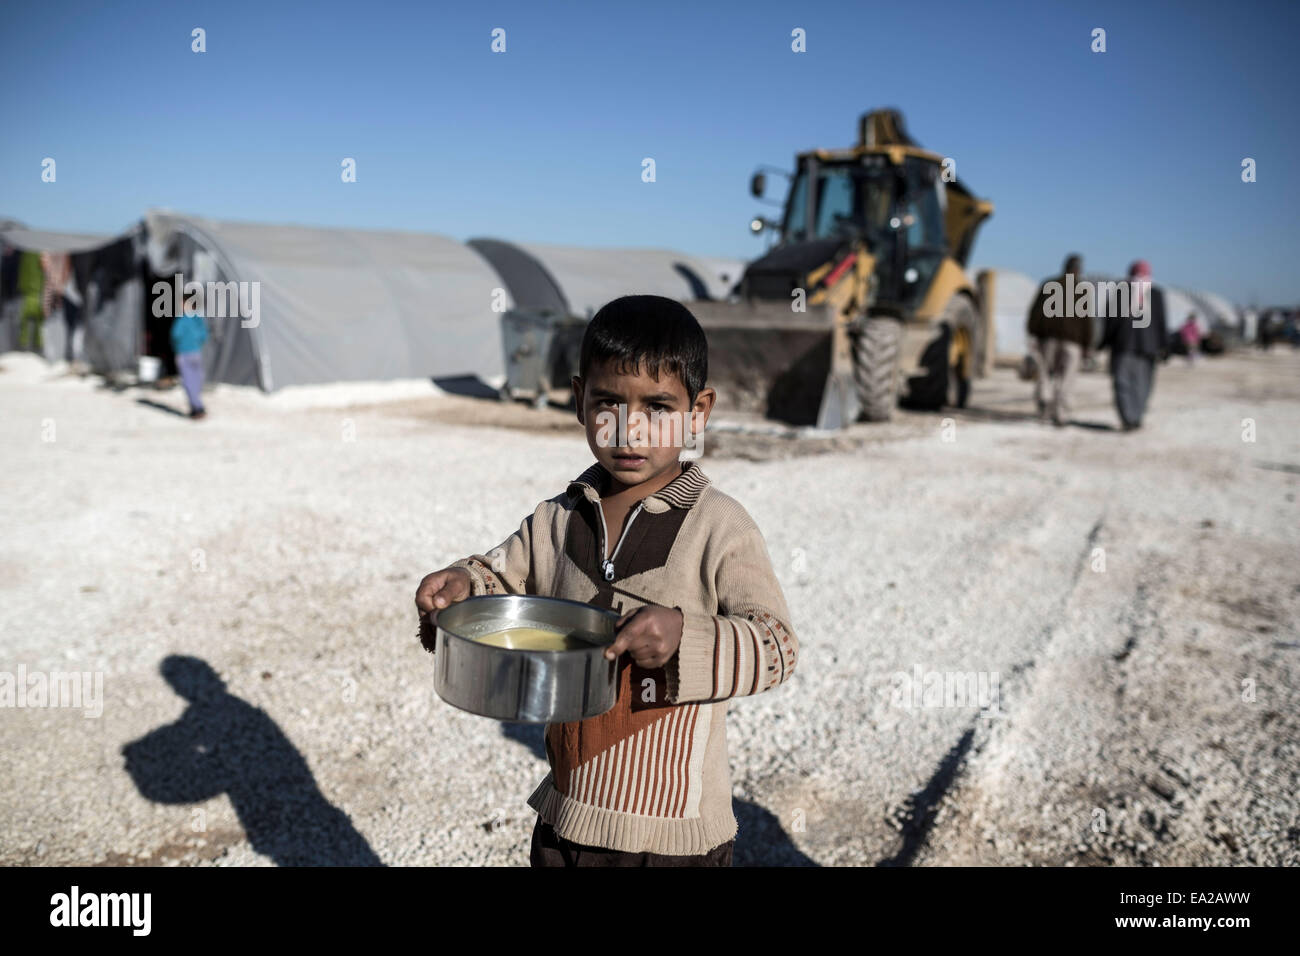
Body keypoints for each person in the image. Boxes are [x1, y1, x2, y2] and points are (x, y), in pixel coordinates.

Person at [414, 295, 799, 867]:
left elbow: (776, 646)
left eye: (659, 407)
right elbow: (498, 583)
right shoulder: (557, 519)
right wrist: (461, 586)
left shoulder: (719, 526)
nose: (629, 428)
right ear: (578, 401)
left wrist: (684, 638)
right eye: (609, 402)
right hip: (567, 818)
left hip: (673, 840)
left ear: (699, 412)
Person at [1026, 253, 1094, 426]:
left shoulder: (1049, 285)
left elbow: (1035, 313)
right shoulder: (1082, 289)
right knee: (1067, 378)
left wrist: (1033, 333)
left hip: (1049, 339)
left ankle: (1044, 404)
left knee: (1045, 373)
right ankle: (1060, 413)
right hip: (1073, 343)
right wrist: (1087, 345)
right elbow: (1087, 321)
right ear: (1078, 270)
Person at [1101, 260, 1167, 431]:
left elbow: (1111, 321)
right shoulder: (1155, 293)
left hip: (1124, 345)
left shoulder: (1121, 290)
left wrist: (1104, 342)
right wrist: (1163, 346)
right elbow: (1161, 323)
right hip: (1148, 347)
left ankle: (1128, 417)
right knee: (1142, 384)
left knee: (1123, 382)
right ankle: (1136, 416)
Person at [170, 302, 208, 419]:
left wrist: (176, 347)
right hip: (196, 352)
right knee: (197, 379)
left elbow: (175, 334)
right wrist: (196, 343)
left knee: (188, 381)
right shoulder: (198, 319)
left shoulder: (182, 319)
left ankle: (197, 407)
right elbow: (204, 335)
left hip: (184, 353)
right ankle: (197, 404)